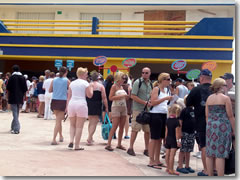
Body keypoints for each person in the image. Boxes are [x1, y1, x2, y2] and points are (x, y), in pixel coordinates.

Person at [205, 78, 235, 176]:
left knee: (210, 153)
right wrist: (235, 130)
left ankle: (210, 176)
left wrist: (210, 125)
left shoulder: (209, 98)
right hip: (222, 127)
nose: (226, 87)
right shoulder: (225, 98)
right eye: (225, 85)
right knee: (220, 154)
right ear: (221, 86)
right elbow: (230, 115)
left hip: (210, 126)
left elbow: (207, 115)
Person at [186, 69, 212, 176]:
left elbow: (188, 103)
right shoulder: (215, 89)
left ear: (201, 77)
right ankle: (214, 169)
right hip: (215, 121)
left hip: (201, 121)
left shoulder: (196, 90)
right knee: (213, 145)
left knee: (204, 145)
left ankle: (206, 170)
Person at [147, 73, 173, 170]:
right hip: (155, 114)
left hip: (163, 114)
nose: (169, 81)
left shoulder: (167, 90)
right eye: (168, 79)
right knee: (154, 138)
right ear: (162, 80)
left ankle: (157, 159)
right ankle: (151, 160)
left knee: (160, 138)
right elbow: (153, 102)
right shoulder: (156, 89)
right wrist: (165, 98)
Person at [127, 67, 153, 156]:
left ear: (149, 73)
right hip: (138, 109)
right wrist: (144, 102)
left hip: (147, 110)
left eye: (146, 73)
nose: (144, 74)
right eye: (143, 72)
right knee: (135, 128)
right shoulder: (138, 82)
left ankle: (146, 149)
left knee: (147, 130)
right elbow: (133, 96)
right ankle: (130, 147)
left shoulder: (150, 84)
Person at [67, 67, 93, 150]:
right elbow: (90, 95)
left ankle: (71, 140)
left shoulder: (72, 83)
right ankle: (77, 145)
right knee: (79, 126)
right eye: (86, 74)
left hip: (72, 103)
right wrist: (91, 88)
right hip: (81, 103)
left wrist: (67, 106)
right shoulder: (86, 83)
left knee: (72, 125)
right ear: (83, 74)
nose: (87, 75)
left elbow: (69, 96)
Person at [105, 71, 129, 151]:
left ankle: (119, 144)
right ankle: (108, 144)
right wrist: (122, 96)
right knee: (114, 126)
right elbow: (110, 97)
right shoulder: (114, 86)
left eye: (125, 78)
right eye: (123, 78)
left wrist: (126, 97)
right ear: (119, 78)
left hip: (123, 107)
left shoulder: (122, 87)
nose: (124, 79)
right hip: (116, 107)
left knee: (122, 126)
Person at [49, 66, 70, 145]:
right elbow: (71, 90)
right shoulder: (67, 80)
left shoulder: (54, 80)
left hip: (54, 100)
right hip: (62, 101)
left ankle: (60, 136)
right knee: (58, 121)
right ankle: (54, 139)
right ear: (66, 72)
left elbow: (50, 90)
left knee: (58, 120)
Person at [86, 71, 108, 145]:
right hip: (97, 103)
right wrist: (107, 107)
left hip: (89, 103)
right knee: (94, 122)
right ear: (98, 78)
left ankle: (90, 137)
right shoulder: (101, 86)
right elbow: (104, 98)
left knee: (90, 121)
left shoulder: (89, 85)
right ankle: (89, 138)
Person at [177, 96, 195, 174]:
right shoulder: (184, 110)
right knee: (183, 150)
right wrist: (180, 132)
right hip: (185, 132)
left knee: (189, 150)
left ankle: (187, 165)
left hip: (192, 132)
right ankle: (180, 166)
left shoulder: (194, 110)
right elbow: (180, 122)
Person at [6, 65, 28, 134]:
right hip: (20, 97)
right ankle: (13, 126)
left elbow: (8, 89)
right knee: (17, 112)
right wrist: (24, 97)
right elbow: (25, 89)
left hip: (12, 96)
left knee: (15, 113)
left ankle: (16, 129)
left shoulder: (12, 78)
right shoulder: (22, 78)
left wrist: (7, 97)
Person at [165, 104, 182, 175]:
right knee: (172, 155)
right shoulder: (176, 121)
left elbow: (166, 131)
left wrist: (165, 140)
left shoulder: (168, 120)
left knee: (167, 154)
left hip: (168, 139)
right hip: (173, 140)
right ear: (177, 112)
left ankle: (168, 168)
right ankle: (171, 170)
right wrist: (178, 141)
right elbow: (177, 133)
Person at [122, 74, 132, 139]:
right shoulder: (129, 87)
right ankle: (126, 134)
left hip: (118, 105)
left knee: (117, 121)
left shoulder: (117, 86)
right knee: (126, 120)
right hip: (127, 105)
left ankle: (114, 134)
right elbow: (131, 97)